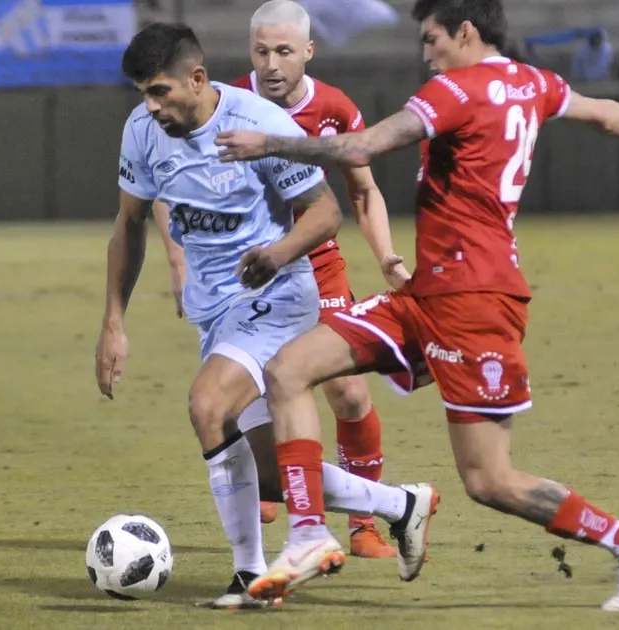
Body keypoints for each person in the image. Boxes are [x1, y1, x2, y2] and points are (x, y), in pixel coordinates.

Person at [216, 0, 619, 610]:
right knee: (288, 369)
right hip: (428, 292)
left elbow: (362, 148)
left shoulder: (455, 89)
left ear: (466, 31)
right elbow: (606, 113)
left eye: (431, 40)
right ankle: (307, 535)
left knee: (489, 481)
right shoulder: (533, 82)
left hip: (474, 302)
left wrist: (266, 142)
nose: (425, 55)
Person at [96, 22, 434, 610]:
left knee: (207, 405)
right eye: (142, 95)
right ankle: (401, 505)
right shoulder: (141, 132)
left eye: (159, 92)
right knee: (272, 473)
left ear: (197, 79)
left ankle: (249, 577)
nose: (149, 107)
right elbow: (129, 224)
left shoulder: (260, 125)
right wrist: (113, 322)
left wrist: (277, 252)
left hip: (277, 296)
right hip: (216, 313)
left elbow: (325, 213)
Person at [149, 0, 407, 560]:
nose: (271, 63)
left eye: (284, 52)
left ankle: (366, 522)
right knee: (241, 395)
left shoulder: (335, 107)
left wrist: (386, 255)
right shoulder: (221, 104)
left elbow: (361, 192)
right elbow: (171, 186)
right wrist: (177, 260)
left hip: (317, 262)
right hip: (246, 274)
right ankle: (272, 492)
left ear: (308, 52)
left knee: (347, 389)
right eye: (261, 51)